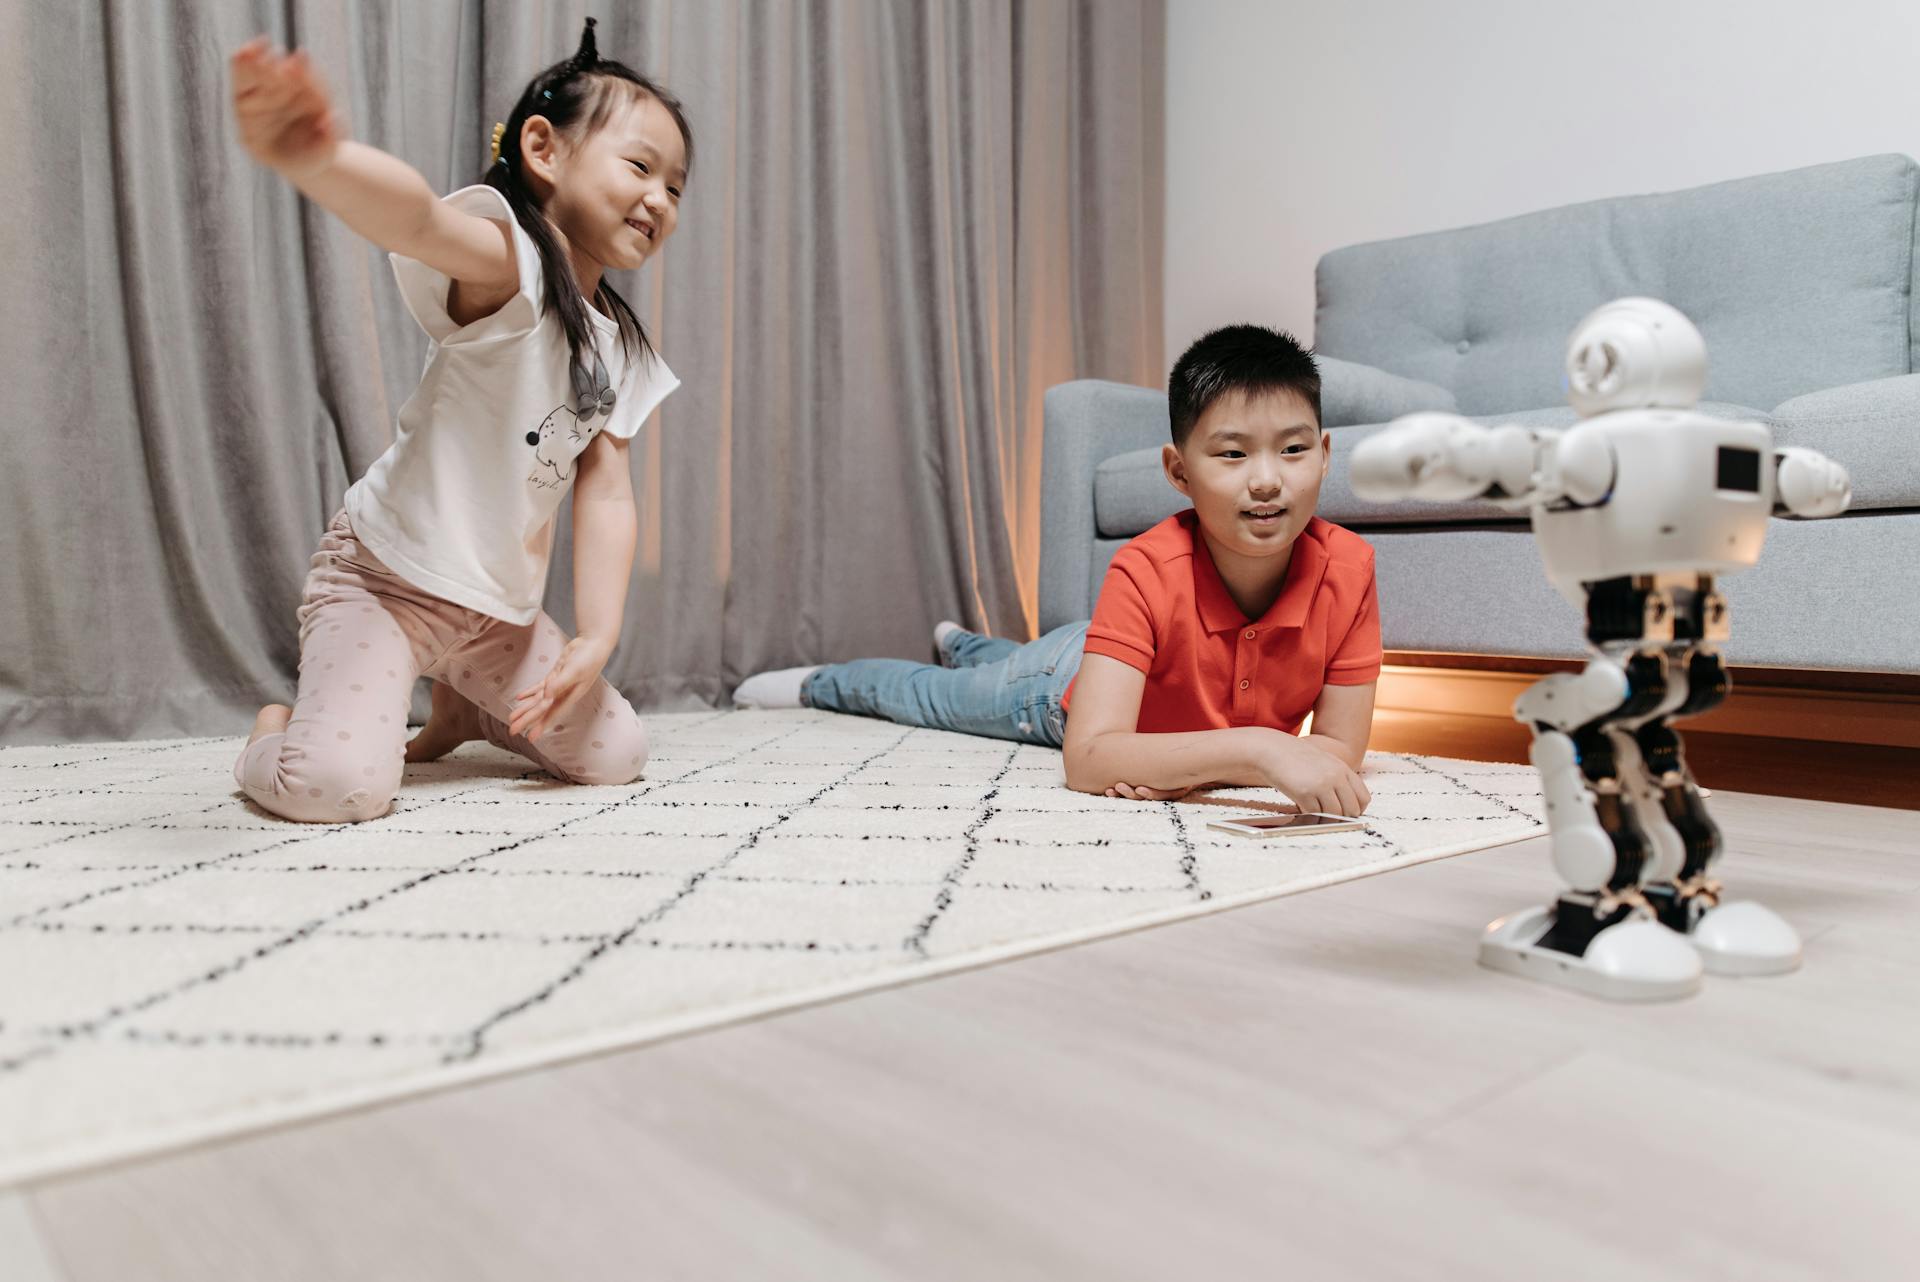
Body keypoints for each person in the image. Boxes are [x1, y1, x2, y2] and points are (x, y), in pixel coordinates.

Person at [228, 18, 689, 822]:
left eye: (676, 187)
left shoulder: (624, 348)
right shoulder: (511, 269)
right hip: (383, 582)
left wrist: (597, 635)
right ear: (543, 150)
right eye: (641, 167)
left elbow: (607, 492)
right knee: (335, 788)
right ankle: (274, 730)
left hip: (493, 613)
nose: (659, 198)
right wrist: (319, 157)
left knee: (619, 756)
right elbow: (415, 221)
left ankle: (463, 706)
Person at [734, 325, 1381, 816]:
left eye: (1293, 450)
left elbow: (1339, 752)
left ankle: (968, 643)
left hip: (1114, 666)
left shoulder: (1351, 569)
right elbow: (1090, 757)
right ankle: (825, 681)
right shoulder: (1144, 568)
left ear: (1325, 457)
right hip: (1059, 685)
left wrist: (1178, 763)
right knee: (937, 698)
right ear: (1178, 473)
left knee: (1002, 656)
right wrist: (1260, 749)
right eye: (1233, 454)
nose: (1268, 480)